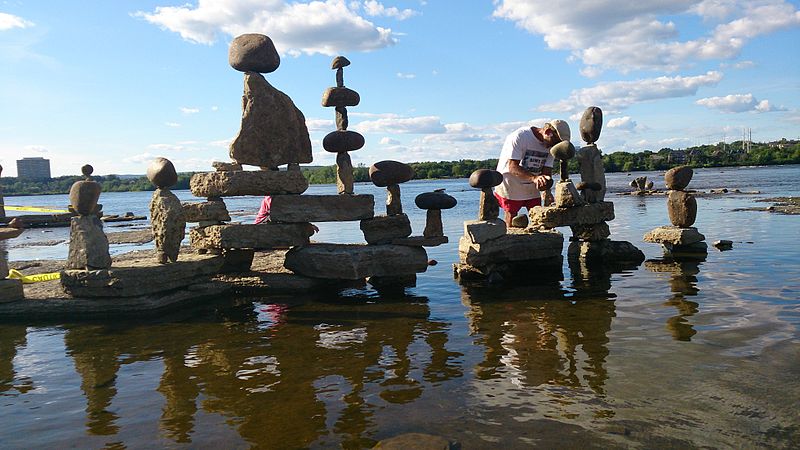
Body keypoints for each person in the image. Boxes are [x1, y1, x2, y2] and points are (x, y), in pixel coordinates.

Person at [494, 120, 570, 226]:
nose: (553, 146)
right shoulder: (521, 136)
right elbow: (512, 167)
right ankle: (511, 239)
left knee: (538, 217)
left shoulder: (552, 147)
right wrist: (534, 178)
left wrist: (547, 191)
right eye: (555, 141)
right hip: (511, 182)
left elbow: (546, 171)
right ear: (548, 132)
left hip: (532, 185)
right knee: (512, 217)